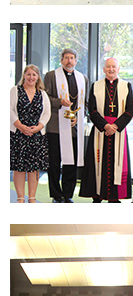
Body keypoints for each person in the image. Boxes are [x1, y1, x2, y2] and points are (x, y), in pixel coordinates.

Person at [80, 56, 133, 202]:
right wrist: (105, 126)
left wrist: (115, 126)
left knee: (116, 162)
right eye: (108, 67)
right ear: (104, 69)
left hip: (118, 131)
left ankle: (114, 196)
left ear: (118, 69)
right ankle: (97, 195)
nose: (111, 69)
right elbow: (91, 110)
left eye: (113, 67)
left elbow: (130, 111)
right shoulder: (95, 86)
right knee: (98, 163)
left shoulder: (126, 86)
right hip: (100, 130)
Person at [43, 48, 88, 202]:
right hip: (55, 127)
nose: (69, 61)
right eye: (66, 58)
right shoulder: (50, 76)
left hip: (74, 128)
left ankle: (68, 194)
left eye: (72, 58)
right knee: (54, 164)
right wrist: (59, 102)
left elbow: (86, 103)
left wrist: (79, 117)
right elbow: (45, 98)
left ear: (76, 61)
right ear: (61, 60)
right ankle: (56, 194)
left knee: (71, 163)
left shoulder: (83, 79)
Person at [10, 64, 51, 203]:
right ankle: (20, 197)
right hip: (18, 134)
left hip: (36, 135)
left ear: (38, 77)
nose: (31, 77)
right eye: (29, 74)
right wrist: (20, 126)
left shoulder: (42, 93)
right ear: (24, 76)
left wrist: (38, 127)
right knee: (19, 167)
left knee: (34, 169)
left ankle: (32, 197)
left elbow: (47, 113)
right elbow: (8, 110)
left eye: (34, 75)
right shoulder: (15, 90)